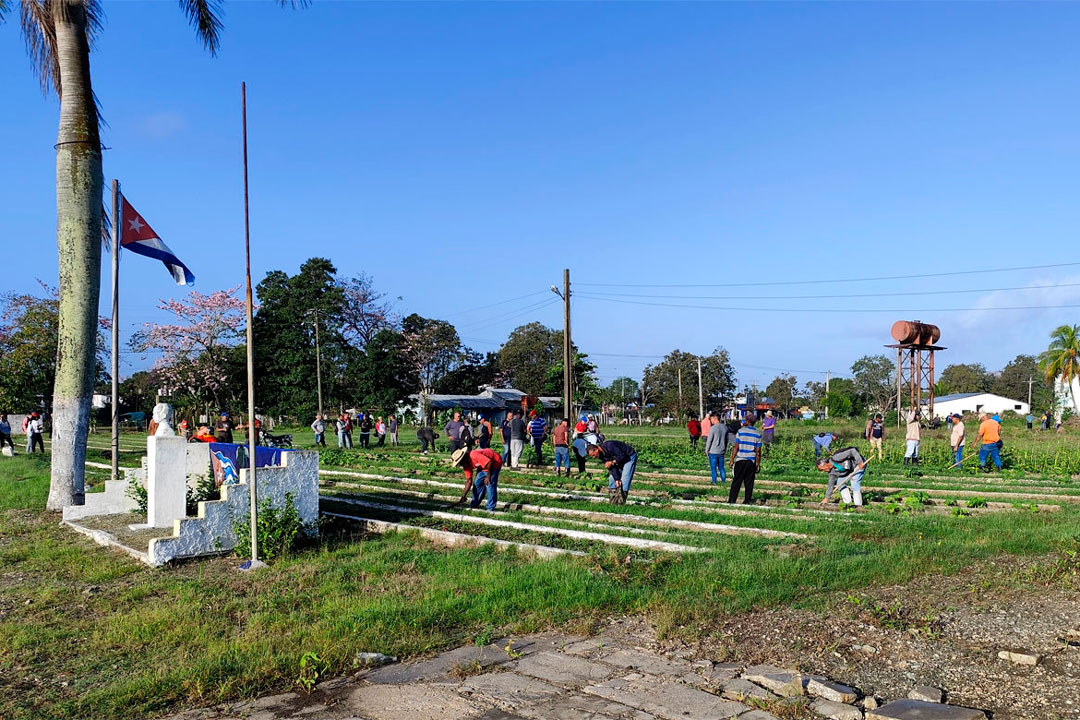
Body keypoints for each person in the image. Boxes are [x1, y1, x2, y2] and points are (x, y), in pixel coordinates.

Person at [452, 447, 503, 511]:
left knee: (489, 484)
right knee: (477, 484)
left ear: (464, 457)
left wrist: (488, 476)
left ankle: (490, 508)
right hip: (483, 466)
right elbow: (469, 481)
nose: (460, 464)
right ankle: (474, 504)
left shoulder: (474, 455)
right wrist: (464, 496)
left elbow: (489, 463)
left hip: (495, 462)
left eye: (460, 461)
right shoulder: (466, 465)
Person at [588, 439, 638, 505]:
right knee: (612, 479)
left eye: (593, 455)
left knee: (625, 478)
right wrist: (617, 479)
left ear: (596, 449)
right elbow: (611, 468)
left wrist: (612, 462)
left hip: (629, 457)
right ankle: (614, 501)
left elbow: (622, 456)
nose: (594, 457)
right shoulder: (601, 455)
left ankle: (621, 502)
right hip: (618, 460)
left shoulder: (609, 446)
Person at [728, 412, 762, 504]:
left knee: (736, 482)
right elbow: (758, 451)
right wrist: (758, 464)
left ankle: (732, 500)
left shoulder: (740, 432)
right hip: (751, 461)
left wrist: (732, 459)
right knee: (749, 482)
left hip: (740, 460)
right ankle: (747, 500)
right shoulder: (757, 434)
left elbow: (736, 447)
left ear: (747, 421)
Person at [704, 411, 729, 485]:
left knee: (713, 468)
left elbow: (709, 441)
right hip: (721, 451)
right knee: (721, 468)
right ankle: (724, 481)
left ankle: (714, 482)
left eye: (711, 419)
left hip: (713, 451)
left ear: (715, 418)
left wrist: (706, 450)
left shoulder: (713, 428)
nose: (711, 421)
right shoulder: (725, 427)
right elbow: (726, 440)